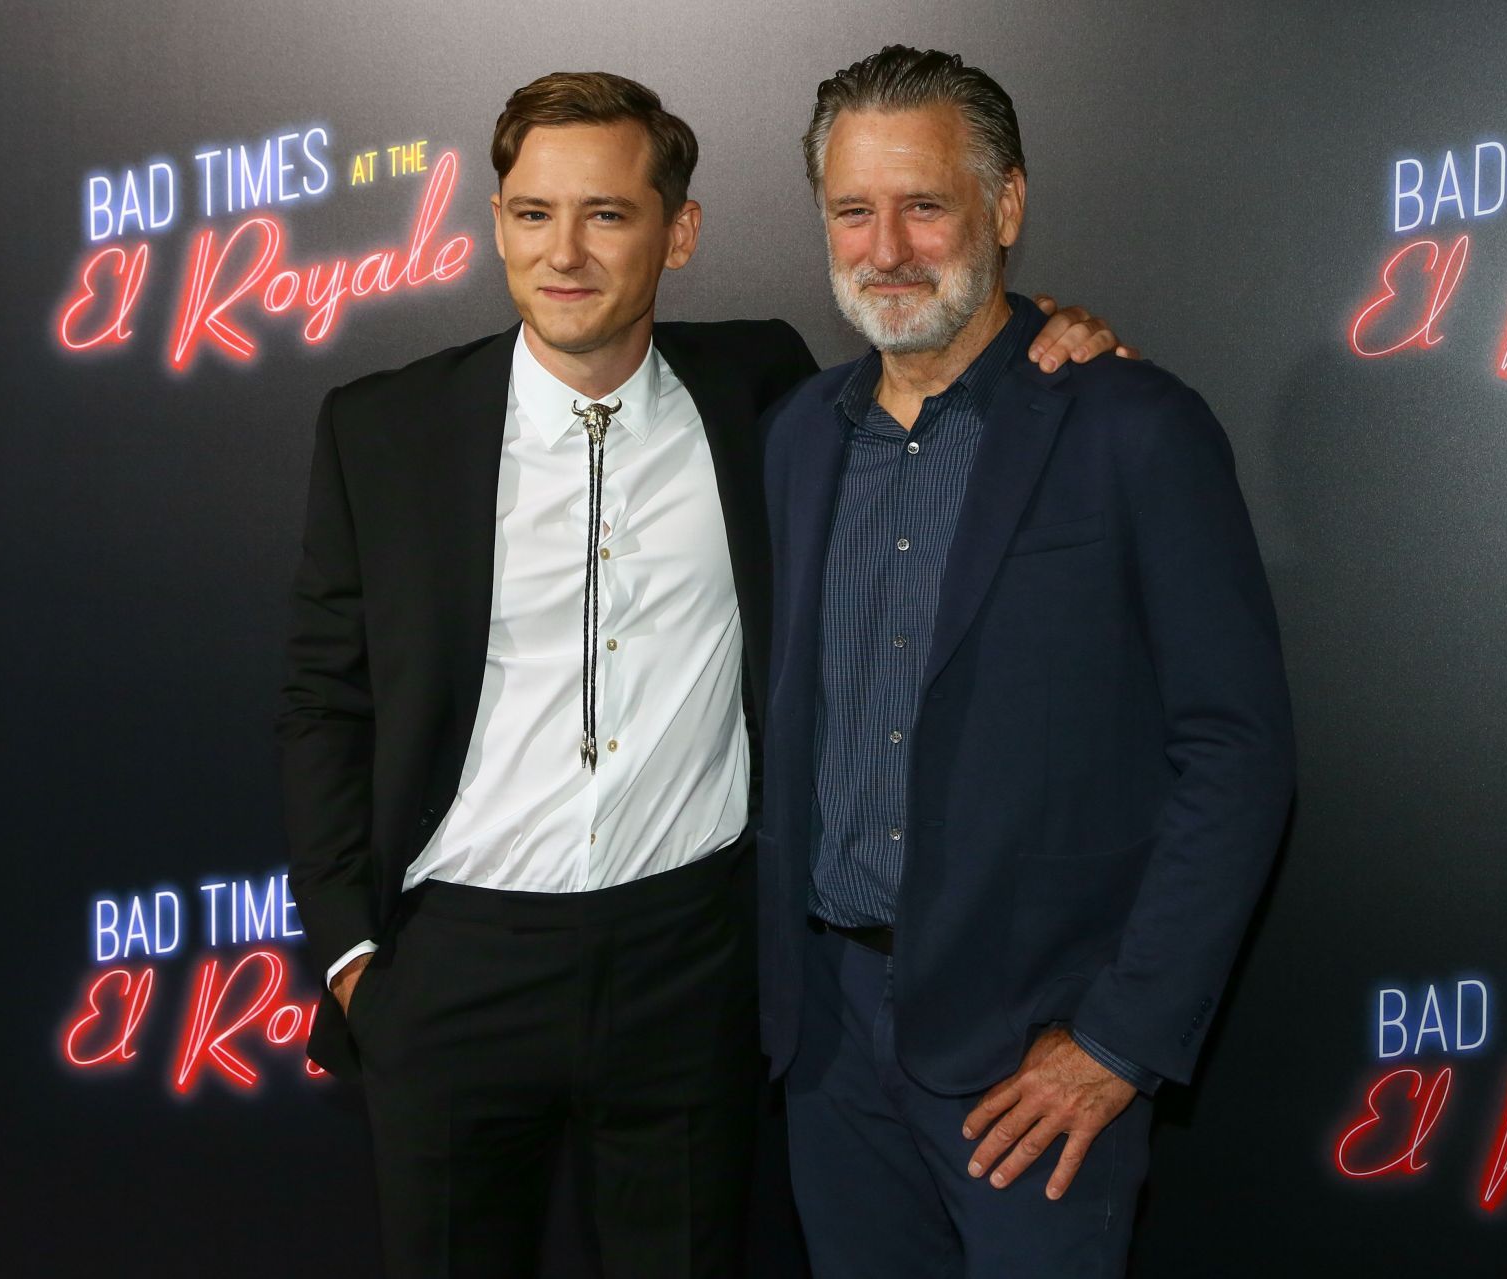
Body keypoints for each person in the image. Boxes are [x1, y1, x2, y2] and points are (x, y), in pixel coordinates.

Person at [276, 69, 1121, 1278]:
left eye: (607, 214)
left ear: (681, 233)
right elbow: (322, 700)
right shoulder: (381, 428)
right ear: (497, 222)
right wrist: (357, 957)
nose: (563, 252)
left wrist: (1056, 328)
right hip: (454, 970)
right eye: (531, 213)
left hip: (691, 966)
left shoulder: (764, 391)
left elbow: (947, 340)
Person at [757, 46, 1296, 1275]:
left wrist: (1119, 1039)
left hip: (1032, 1058)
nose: (886, 246)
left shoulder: (1133, 425)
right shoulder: (794, 437)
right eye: (853, 208)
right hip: (827, 1046)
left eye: (925, 203)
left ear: (1004, 208)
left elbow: (1236, 750)